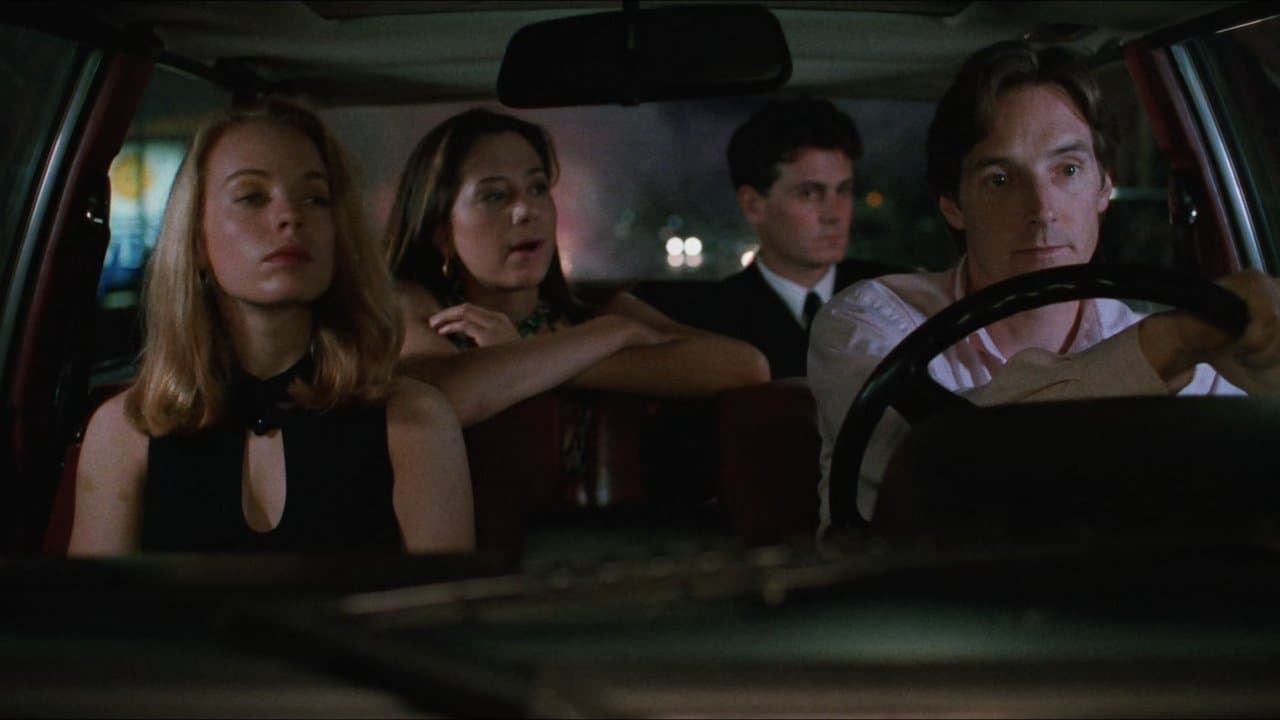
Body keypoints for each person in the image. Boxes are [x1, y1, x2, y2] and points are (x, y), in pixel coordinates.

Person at [809, 41, 1280, 533]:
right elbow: (946, 477)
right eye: (999, 180)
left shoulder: (1174, 348)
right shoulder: (869, 322)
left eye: (1068, 170)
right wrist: (1163, 348)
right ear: (953, 204)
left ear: (1103, 187)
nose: (1041, 209)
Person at [68, 98, 475, 554]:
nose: (290, 217)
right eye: (252, 197)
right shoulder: (123, 434)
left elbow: (445, 599)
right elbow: (95, 602)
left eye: (315, 198)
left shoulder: (413, 421)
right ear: (197, 239)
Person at [384, 107, 770, 429]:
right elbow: (442, 395)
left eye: (538, 188)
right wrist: (606, 338)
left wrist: (539, 352)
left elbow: (744, 366)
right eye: (495, 195)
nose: (526, 210)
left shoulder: (596, 313)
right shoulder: (418, 307)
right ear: (442, 232)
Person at [680, 98, 897, 379]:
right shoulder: (710, 321)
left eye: (843, 190)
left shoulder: (894, 297)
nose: (835, 214)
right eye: (809, 193)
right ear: (753, 205)